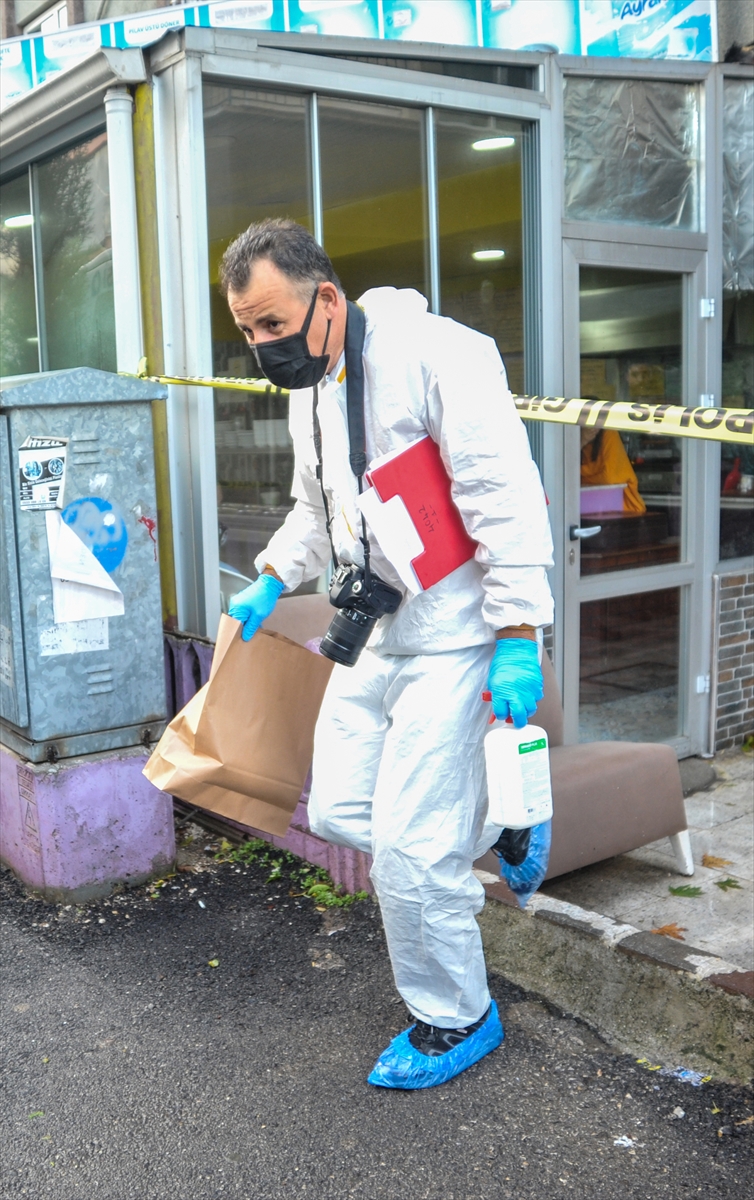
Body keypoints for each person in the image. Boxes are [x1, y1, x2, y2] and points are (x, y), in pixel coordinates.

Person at [222, 219, 554, 1090]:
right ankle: (499, 822)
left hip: (455, 635)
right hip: (376, 631)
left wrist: (519, 635)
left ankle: (458, 1016)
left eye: (270, 324)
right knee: (335, 810)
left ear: (325, 298)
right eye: (247, 332)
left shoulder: (440, 354)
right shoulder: (315, 388)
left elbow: (503, 496)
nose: (262, 346)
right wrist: (270, 577)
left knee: (409, 854)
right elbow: (314, 510)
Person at [580, 426, 646, 514]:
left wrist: (579, 475)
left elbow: (609, 478)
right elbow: (561, 475)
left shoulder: (608, 432)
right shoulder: (567, 435)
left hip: (624, 510)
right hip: (589, 509)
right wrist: (581, 442)